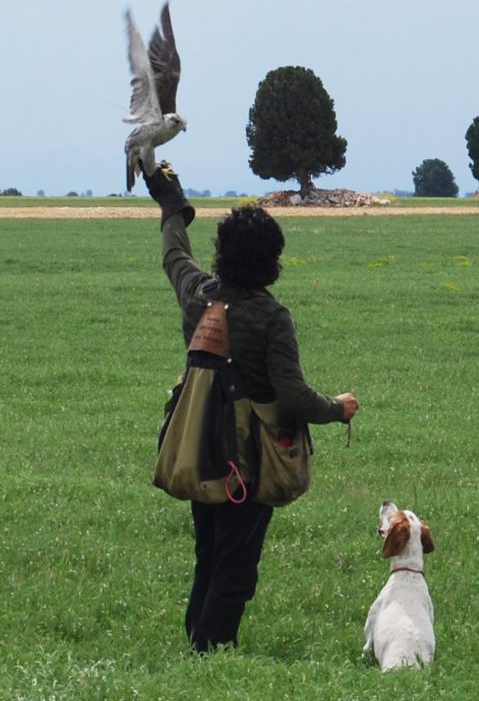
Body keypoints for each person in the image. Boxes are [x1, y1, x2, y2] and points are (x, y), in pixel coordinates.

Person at [142, 160, 360, 653]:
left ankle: (198, 649)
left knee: (209, 556)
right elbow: (292, 395)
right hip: (248, 464)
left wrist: (173, 206)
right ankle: (210, 655)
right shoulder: (271, 317)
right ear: (271, 261)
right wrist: (338, 408)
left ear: (222, 254)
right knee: (235, 571)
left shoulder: (199, 295)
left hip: (197, 451)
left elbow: (174, 255)